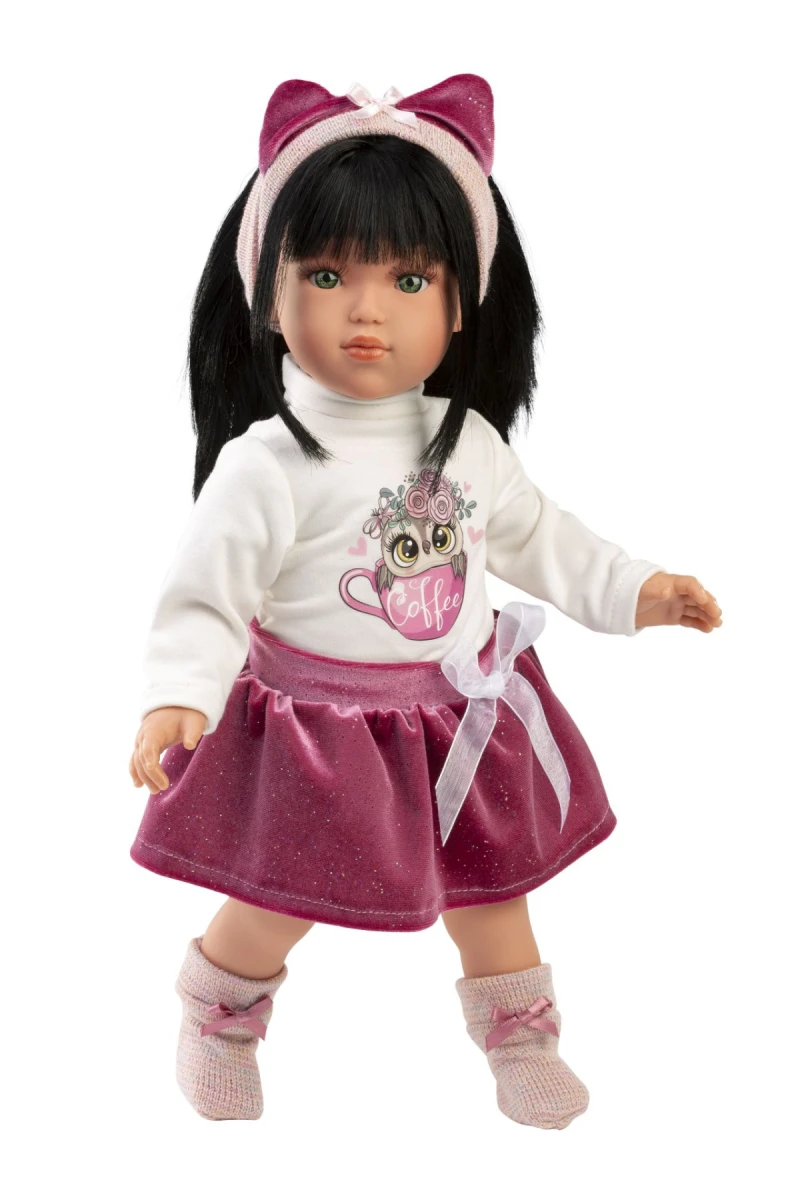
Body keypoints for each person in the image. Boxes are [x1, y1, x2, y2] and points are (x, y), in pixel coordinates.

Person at [128, 74, 722, 1127]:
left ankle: (521, 1039)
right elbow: (207, 592)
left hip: (459, 715)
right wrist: (181, 692)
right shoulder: (266, 463)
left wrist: (636, 589)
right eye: (325, 274)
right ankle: (218, 1014)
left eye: (408, 278)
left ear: (460, 301)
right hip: (322, 732)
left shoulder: (468, 442)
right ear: (267, 292)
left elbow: (540, 539)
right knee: (276, 898)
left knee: (493, 891)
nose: (366, 310)